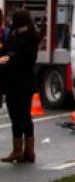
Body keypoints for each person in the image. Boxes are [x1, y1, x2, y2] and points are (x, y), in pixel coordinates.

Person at [0, 10, 41, 163]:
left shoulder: (18, 39)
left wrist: (7, 60)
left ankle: (18, 151)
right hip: (27, 83)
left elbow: (11, 56)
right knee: (25, 116)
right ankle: (29, 151)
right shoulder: (32, 37)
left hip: (14, 83)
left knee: (16, 117)